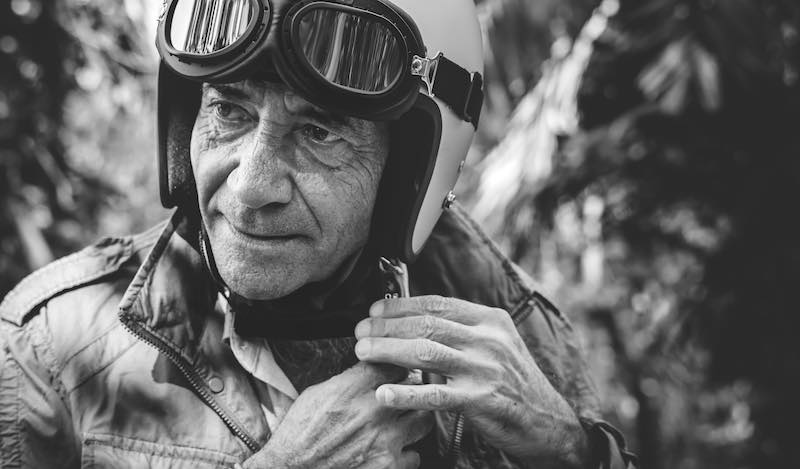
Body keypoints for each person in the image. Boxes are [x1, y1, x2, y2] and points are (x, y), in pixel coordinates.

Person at [0, 0, 636, 467]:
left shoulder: (513, 325)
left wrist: (571, 449)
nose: (250, 188)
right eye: (228, 109)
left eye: (320, 132)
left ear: (407, 177)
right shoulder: (52, 344)